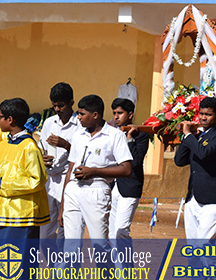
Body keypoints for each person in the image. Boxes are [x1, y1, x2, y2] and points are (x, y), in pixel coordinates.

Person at [59, 95, 132, 245]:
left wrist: (94, 171)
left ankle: (106, 269)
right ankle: (69, 269)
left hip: (97, 190)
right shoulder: (78, 135)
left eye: (82, 114)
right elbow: (70, 169)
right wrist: (63, 205)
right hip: (73, 189)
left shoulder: (115, 136)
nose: (78, 117)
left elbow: (126, 169)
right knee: (70, 245)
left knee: (99, 244)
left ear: (95, 115)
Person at [175, 96, 216, 270]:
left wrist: (188, 136)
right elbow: (179, 160)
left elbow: (204, 153)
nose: (203, 118)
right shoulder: (197, 136)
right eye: (201, 114)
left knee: (205, 246)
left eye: (208, 115)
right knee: (193, 248)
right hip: (193, 197)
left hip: (211, 198)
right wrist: (188, 137)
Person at [0, 98, 50, 239]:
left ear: (10, 119)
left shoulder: (30, 147)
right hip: (3, 213)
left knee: (20, 258)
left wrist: (3, 185)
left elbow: (36, 181)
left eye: (0, 117)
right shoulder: (3, 144)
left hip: (22, 215)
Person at [39, 82, 82, 242]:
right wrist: (42, 157)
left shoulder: (80, 124)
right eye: (54, 106)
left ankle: (63, 266)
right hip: (49, 184)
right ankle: (53, 265)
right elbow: (41, 147)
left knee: (66, 232)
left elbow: (84, 155)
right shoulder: (49, 123)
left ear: (71, 103)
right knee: (44, 236)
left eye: (61, 105)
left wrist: (66, 145)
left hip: (69, 182)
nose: (57, 109)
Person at [108, 98, 150, 243]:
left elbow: (136, 161)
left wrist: (130, 139)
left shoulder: (141, 136)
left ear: (130, 114)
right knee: (112, 233)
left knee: (121, 231)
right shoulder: (111, 133)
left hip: (130, 188)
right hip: (114, 187)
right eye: (114, 113)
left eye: (120, 113)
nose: (116, 117)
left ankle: (125, 265)